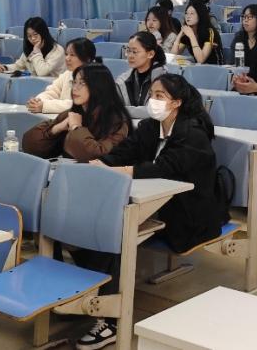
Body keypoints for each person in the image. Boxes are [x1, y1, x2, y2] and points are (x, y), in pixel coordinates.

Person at [85, 74, 228, 349]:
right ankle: (90, 295)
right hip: (157, 204)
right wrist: (100, 164)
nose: (153, 100)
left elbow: (164, 168)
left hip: (188, 216)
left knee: (115, 231)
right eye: (151, 94)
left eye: (160, 96)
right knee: (95, 221)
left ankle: (110, 319)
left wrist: (116, 172)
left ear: (177, 102)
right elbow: (124, 151)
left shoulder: (193, 134)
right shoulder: (150, 127)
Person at [22, 64, 132, 161]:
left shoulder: (117, 123)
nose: (75, 88)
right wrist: (56, 129)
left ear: (99, 87)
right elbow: (30, 146)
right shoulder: (71, 114)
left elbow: (97, 157)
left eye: (82, 83)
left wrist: (76, 128)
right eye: (74, 82)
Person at [26, 38, 97, 115]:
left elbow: (79, 104)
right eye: (66, 54)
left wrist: (45, 106)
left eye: (72, 55)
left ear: (87, 59)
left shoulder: (96, 77)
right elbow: (52, 92)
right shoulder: (67, 74)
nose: (67, 58)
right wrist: (37, 101)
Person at [0, 17, 66, 77]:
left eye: (35, 34)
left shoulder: (57, 50)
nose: (33, 38)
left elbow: (42, 72)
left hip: (55, 86)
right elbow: (19, 66)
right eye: (29, 36)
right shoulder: (30, 48)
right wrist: (4, 68)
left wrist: (36, 52)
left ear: (43, 33)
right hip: (37, 84)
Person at [117, 32, 168, 112]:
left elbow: (156, 111)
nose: (130, 56)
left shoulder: (164, 79)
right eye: (128, 51)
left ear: (150, 54)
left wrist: (124, 111)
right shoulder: (123, 80)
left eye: (134, 52)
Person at [176, 0, 220, 65]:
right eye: (186, 13)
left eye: (192, 13)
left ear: (200, 15)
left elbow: (200, 60)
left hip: (215, 67)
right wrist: (179, 36)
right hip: (197, 67)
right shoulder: (187, 32)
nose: (188, 16)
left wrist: (191, 36)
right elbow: (173, 55)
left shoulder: (209, 32)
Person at [232, 4, 257, 68]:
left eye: (250, 17)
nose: (245, 20)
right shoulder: (239, 37)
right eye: (244, 17)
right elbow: (233, 62)